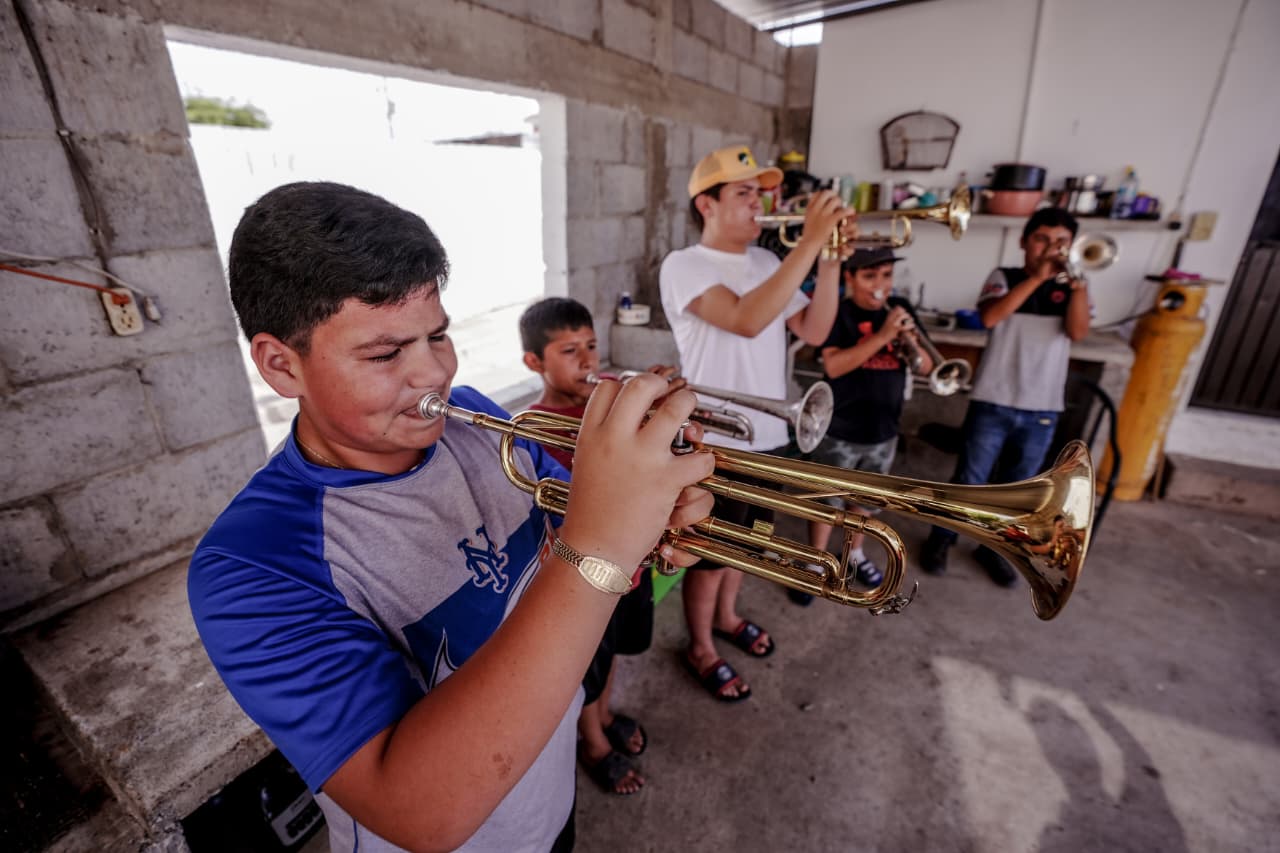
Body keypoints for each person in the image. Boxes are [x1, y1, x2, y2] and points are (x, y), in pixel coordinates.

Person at [188, 181, 714, 853]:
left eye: (437, 334)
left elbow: (572, 522)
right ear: (281, 364)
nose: (433, 373)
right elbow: (417, 809)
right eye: (385, 353)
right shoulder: (251, 566)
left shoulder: (474, 417)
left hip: (550, 807)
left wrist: (656, 516)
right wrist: (604, 540)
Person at [659, 145, 853, 701]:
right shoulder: (684, 265)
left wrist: (832, 258)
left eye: (762, 193)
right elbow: (745, 320)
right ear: (707, 204)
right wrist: (812, 240)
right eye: (744, 193)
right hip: (715, 440)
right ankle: (700, 645)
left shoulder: (770, 264)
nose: (760, 203)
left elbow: (814, 331)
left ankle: (727, 616)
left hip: (772, 434)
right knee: (710, 551)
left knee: (751, 542)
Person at [517, 296, 680, 796]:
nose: (589, 360)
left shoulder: (608, 411)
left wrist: (657, 418)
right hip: (583, 579)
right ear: (534, 363)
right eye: (570, 351)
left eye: (591, 345)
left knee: (612, 659)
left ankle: (604, 715)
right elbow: (574, 503)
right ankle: (593, 743)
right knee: (587, 666)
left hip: (632, 569)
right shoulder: (534, 427)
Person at [919, 207, 1091, 586]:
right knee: (970, 479)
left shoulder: (1072, 285)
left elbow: (1078, 332)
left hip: (1042, 407)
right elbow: (991, 317)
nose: (1051, 249)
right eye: (1042, 239)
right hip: (994, 398)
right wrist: (1037, 278)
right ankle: (941, 541)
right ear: (1025, 242)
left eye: (1060, 242)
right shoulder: (1005, 277)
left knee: (1019, 489)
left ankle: (994, 548)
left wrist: (1078, 286)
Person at [787, 246, 934, 607]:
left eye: (886, 275)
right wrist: (884, 335)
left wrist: (910, 338)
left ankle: (853, 555)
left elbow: (928, 367)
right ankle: (815, 561)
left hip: (883, 429)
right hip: (840, 426)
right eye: (870, 276)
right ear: (849, 277)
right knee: (827, 502)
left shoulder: (900, 309)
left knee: (864, 504)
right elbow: (834, 366)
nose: (880, 285)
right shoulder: (837, 312)